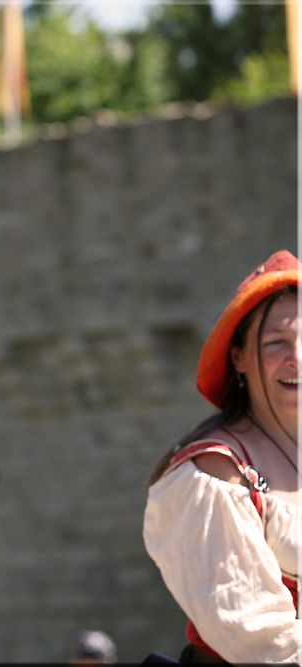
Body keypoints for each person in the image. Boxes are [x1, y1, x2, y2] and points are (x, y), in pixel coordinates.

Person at [143, 249, 299, 663]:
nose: (296, 357)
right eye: (276, 343)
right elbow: (260, 642)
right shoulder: (214, 473)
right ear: (239, 358)